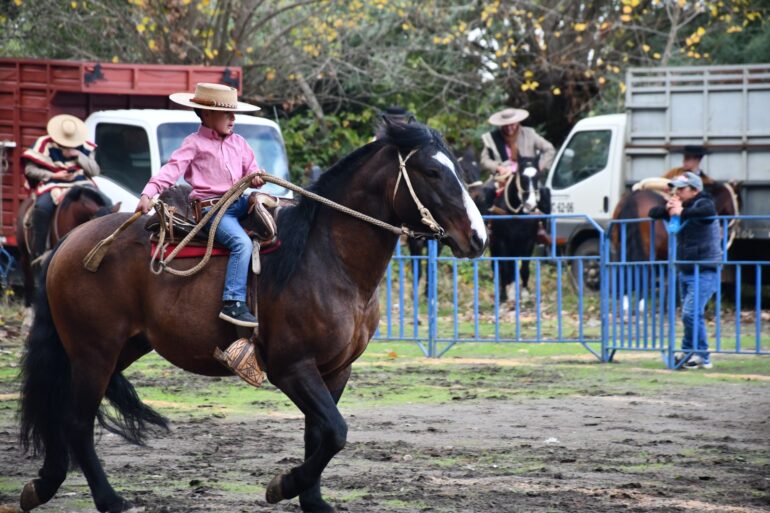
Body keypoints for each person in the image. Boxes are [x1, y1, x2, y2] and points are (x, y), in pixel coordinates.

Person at [135, 83, 266, 328]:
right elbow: (171, 170)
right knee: (241, 243)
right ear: (207, 114)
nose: (233, 119)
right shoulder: (194, 143)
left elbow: (252, 170)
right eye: (227, 113)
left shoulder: (239, 143)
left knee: (276, 227)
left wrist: (257, 177)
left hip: (239, 203)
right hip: (212, 211)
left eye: (234, 113)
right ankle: (233, 302)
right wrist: (148, 193)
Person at [649, 171, 722, 369]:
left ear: (695, 190)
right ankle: (689, 352)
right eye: (675, 188)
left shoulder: (704, 202)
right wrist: (667, 208)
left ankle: (702, 356)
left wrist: (681, 211)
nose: (677, 192)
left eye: (681, 189)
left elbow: (707, 212)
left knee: (690, 313)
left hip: (705, 268)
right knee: (690, 314)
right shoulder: (681, 206)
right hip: (687, 269)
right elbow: (653, 213)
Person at [22, 114, 102, 260]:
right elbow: (30, 170)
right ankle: (38, 252)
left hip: (81, 183)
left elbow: (94, 171)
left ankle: (103, 246)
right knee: (42, 207)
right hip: (52, 184)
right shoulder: (43, 144)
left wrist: (78, 155)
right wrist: (55, 175)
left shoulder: (85, 146)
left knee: (105, 204)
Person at [480, 107, 555, 244]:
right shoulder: (492, 138)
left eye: (512, 124)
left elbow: (549, 149)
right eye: (506, 125)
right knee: (486, 191)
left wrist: (538, 167)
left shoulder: (529, 133)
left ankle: (543, 228)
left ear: (518, 123)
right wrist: (498, 167)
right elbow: (484, 160)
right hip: (503, 176)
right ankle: (486, 227)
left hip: (527, 175)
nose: (509, 128)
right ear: (501, 125)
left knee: (544, 192)